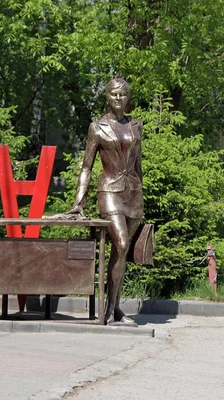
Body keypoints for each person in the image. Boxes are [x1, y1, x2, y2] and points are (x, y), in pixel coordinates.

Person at [49, 78, 143, 325]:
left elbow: (138, 165)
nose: (118, 98)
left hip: (133, 195)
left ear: (127, 97)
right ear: (107, 97)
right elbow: (87, 167)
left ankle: (115, 307)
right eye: (114, 94)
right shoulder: (97, 127)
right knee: (121, 244)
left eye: (122, 94)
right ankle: (110, 308)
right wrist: (79, 201)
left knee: (121, 254)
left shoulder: (136, 126)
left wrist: (140, 194)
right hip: (109, 191)